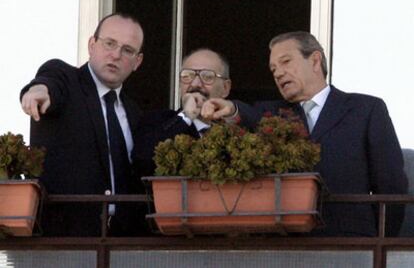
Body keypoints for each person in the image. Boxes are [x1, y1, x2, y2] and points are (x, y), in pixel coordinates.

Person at [201, 31, 408, 237]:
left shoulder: (366, 109)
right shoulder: (271, 114)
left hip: (350, 244)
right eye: (273, 69)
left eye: (286, 62)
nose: (278, 73)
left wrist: (381, 242)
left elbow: (391, 185)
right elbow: (246, 115)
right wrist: (230, 109)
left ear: (315, 61)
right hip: (288, 246)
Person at [19, 13, 148, 237]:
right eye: (109, 43)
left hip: (122, 245)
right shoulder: (66, 81)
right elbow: (50, 80)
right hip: (62, 243)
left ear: (137, 62)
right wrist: (38, 90)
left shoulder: (135, 112)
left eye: (127, 50)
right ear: (92, 45)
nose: (116, 55)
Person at [133, 48, 232, 176]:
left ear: (225, 88)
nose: (195, 84)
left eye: (207, 76)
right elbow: (143, 161)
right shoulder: (157, 121)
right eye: (188, 76)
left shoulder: (236, 131)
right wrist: (186, 117)